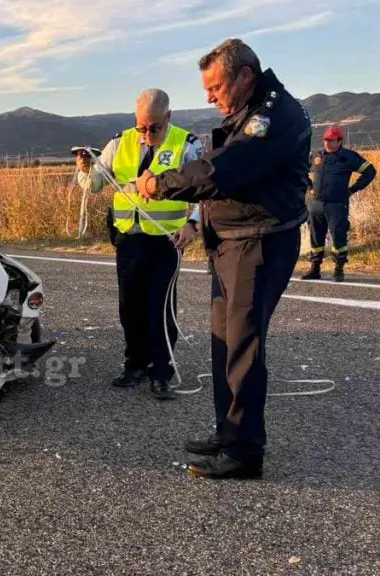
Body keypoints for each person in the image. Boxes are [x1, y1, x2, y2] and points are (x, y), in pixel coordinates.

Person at [136, 39, 311, 479]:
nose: (209, 97)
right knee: (224, 343)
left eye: (215, 87)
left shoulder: (271, 117)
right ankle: (227, 432)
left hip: (258, 244)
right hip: (232, 243)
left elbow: (222, 170)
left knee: (243, 349)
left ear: (244, 76)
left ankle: (245, 452)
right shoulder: (248, 110)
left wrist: (161, 183)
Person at [76, 88, 204, 400]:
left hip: (166, 240)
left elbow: (208, 191)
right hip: (129, 240)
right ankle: (134, 364)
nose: (147, 134)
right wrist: (84, 169)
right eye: (142, 127)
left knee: (160, 307)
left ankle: (161, 372)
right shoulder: (119, 143)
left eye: (155, 128)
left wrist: (194, 223)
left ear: (169, 118)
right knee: (129, 307)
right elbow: (95, 185)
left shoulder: (187, 145)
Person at [302, 126, 377, 282]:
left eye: (331, 141)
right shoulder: (317, 156)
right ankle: (315, 269)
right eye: (325, 140)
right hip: (316, 205)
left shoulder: (348, 157)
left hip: (337, 205)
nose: (327, 143)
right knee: (316, 238)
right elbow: (301, 171)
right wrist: (309, 187)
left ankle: (338, 270)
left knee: (338, 237)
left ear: (340, 141)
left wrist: (353, 190)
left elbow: (370, 171)